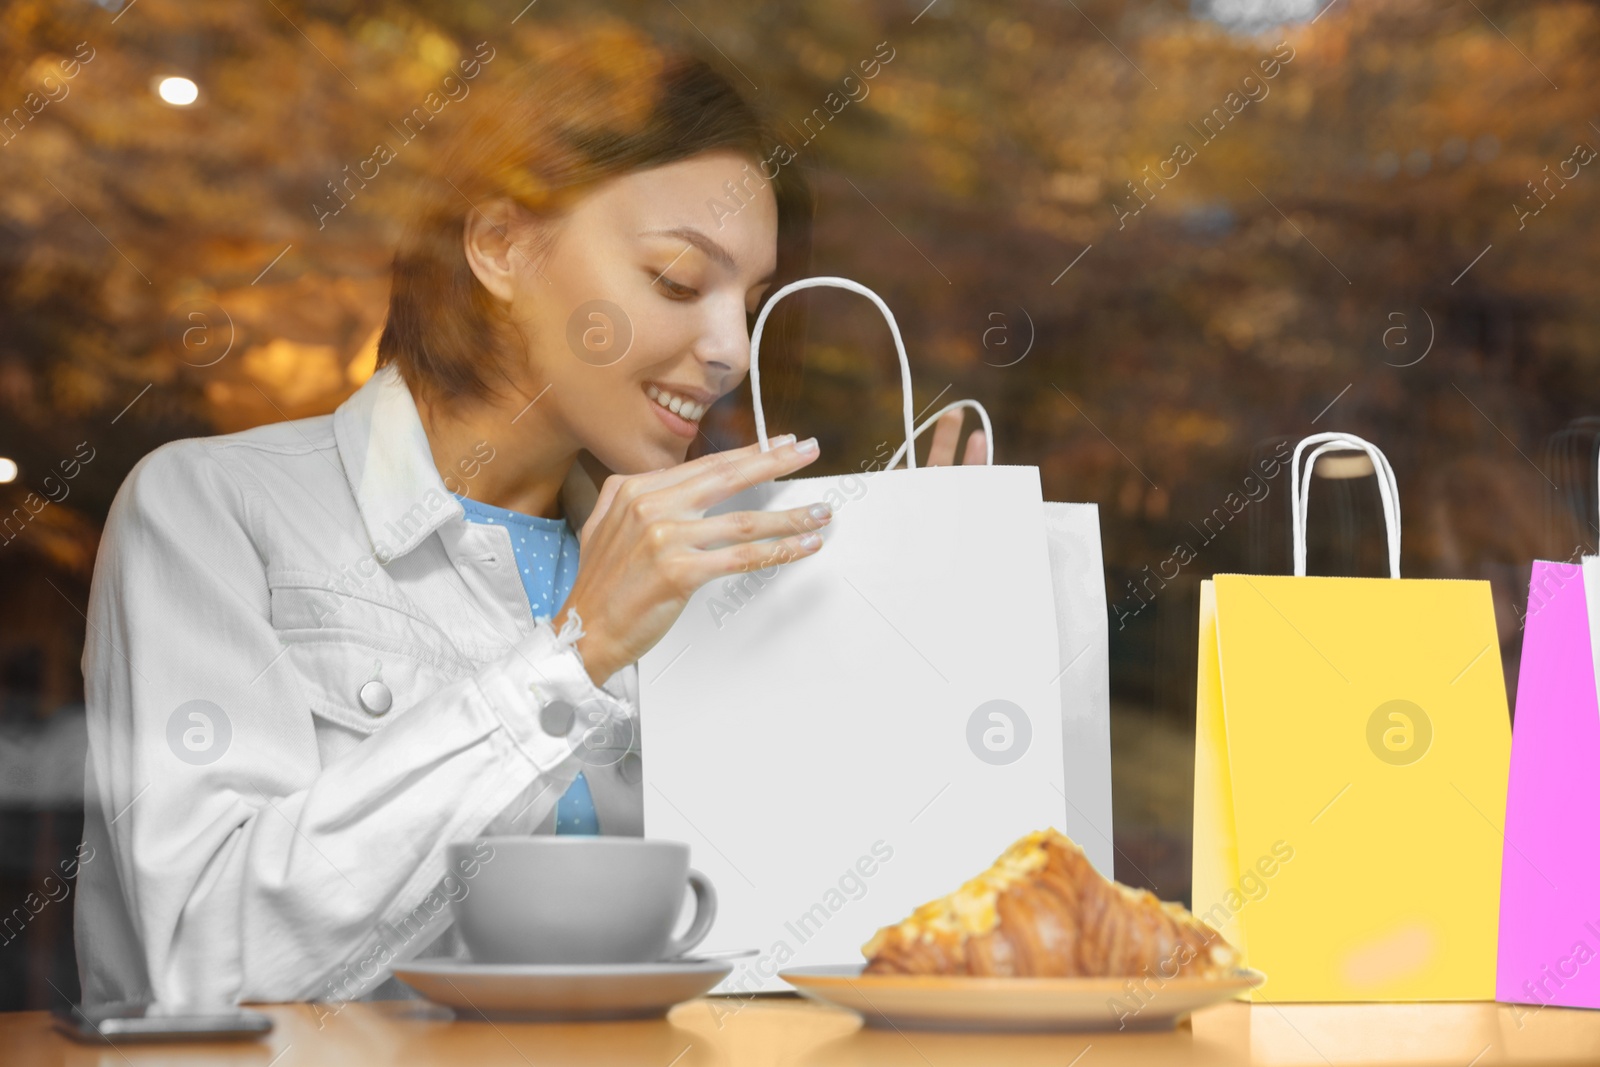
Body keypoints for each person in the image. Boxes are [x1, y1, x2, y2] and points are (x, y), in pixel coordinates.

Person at [74, 28, 985, 1008]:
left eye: (750, 304)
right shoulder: (212, 510)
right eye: (678, 280)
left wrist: (910, 635)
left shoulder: (712, 568)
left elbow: (814, 942)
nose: (731, 350)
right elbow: (206, 963)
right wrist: (570, 658)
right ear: (500, 244)